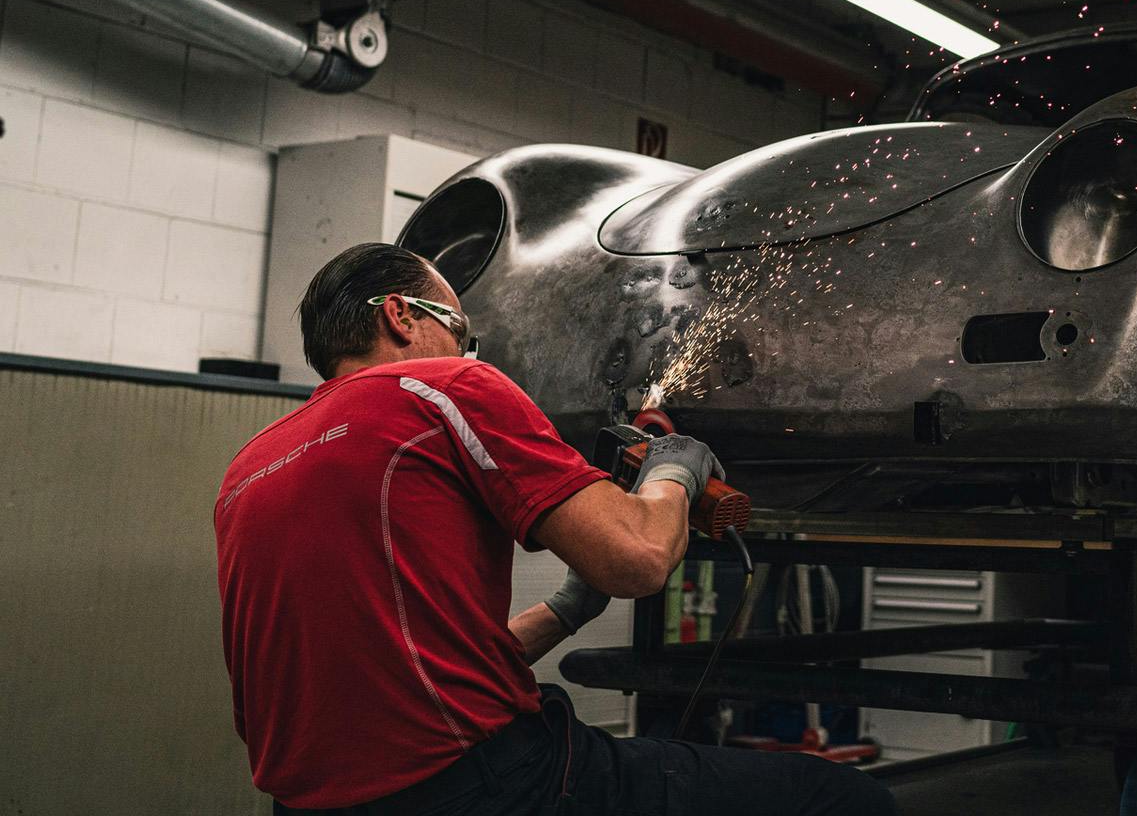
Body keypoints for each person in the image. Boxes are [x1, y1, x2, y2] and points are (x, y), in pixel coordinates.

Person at [214, 242, 893, 816]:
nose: (466, 350)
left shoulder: (250, 467)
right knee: (836, 797)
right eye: (459, 329)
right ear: (399, 315)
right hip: (486, 787)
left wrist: (568, 609)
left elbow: (416, 673)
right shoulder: (443, 386)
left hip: (312, 804)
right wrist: (676, 471)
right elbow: (639, 557)